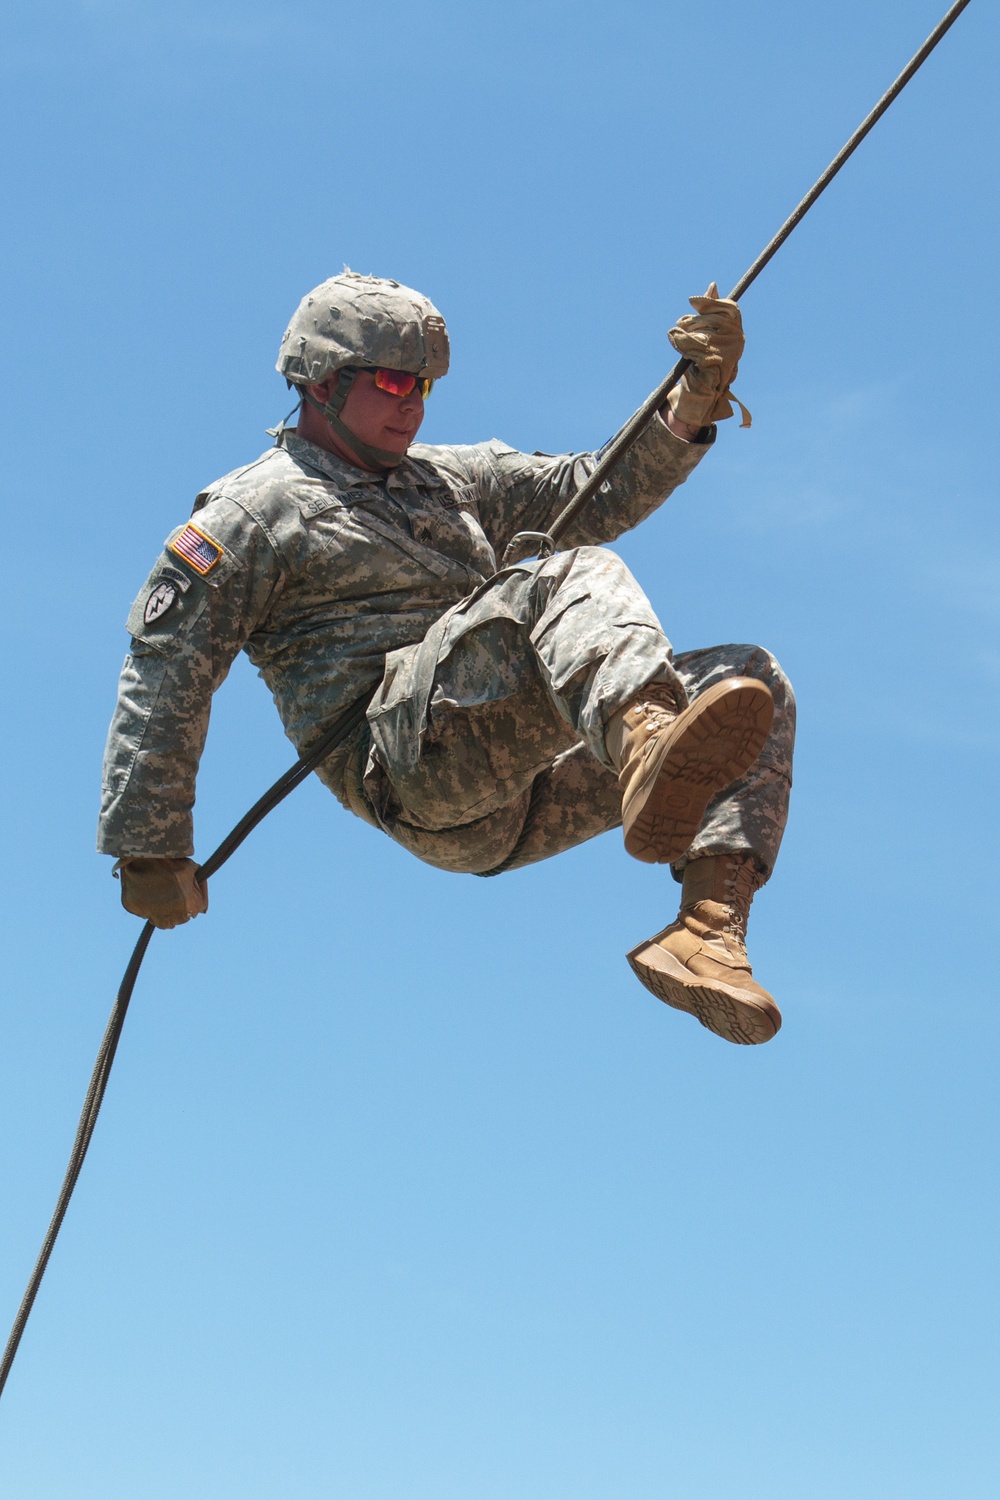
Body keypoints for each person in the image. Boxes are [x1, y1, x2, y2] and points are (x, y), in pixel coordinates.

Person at [99, 271, 795, 1046]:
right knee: (568, 575)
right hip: (406, 765)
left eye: (424, 384)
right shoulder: (254, 513)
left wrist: (691, 400)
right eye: (395, 379)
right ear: (323, 382)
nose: (413, 402)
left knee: (750, 683)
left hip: (522, 789)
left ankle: (705, 933)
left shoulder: (451, 480)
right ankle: (643, 740)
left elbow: (590, 491)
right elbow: (165, 671)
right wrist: (149, 847)